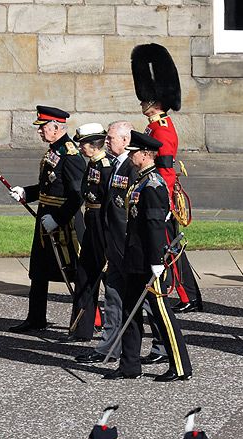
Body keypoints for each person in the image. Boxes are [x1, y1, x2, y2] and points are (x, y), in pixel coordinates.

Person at [103, 131, 192, 382]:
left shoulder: (152, 185)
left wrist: (156, 261)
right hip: (134, 256)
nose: (130, 155)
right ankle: (129, 364)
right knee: (130, 310)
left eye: (133, 152)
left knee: (162, 314)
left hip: (149, 260)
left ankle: (180, 366)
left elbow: (155, 226)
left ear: (144, 155)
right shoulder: (141, 181)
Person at [131, 43, 203, 315]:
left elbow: (165, 169)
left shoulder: (160, 129)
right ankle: (188, 294)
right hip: (160, 189)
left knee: (168, 246)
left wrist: (161, 198)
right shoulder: (154, 125)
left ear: (154, 101)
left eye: (144, 98)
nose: (141, 102)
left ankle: (187, 295)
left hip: (162, 192)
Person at [8, 106, 86, 333]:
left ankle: (86, 321)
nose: (40, 132)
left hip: (65, 223)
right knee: (39, 271)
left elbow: (77, 195)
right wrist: (26, 193)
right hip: (46, 218)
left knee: (76, 272)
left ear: (56, 127)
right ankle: (36, 318)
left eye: (43, 127)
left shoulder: (70, 154)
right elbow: (48, 186)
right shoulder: (54, 150)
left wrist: (58, 219)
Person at [76, 121, 137, 363]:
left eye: (110, 138)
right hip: (112, 241)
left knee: (148, 302)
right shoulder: (115, 166)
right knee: (113, 295)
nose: (106, 141)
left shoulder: (130, 168)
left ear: (126, 141)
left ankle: (163, 345)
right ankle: (108, 347)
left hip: (128, 246)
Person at [66, 123, 113, 343]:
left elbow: (110, 205)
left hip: (102, 228)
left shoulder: (106, 167)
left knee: (109, 281)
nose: (80, 148)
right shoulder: (92, 164)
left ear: (93, 146)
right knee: (83, 276)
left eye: (82, 144)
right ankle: (81, 330)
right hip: (91, 225)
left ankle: (111, 330)